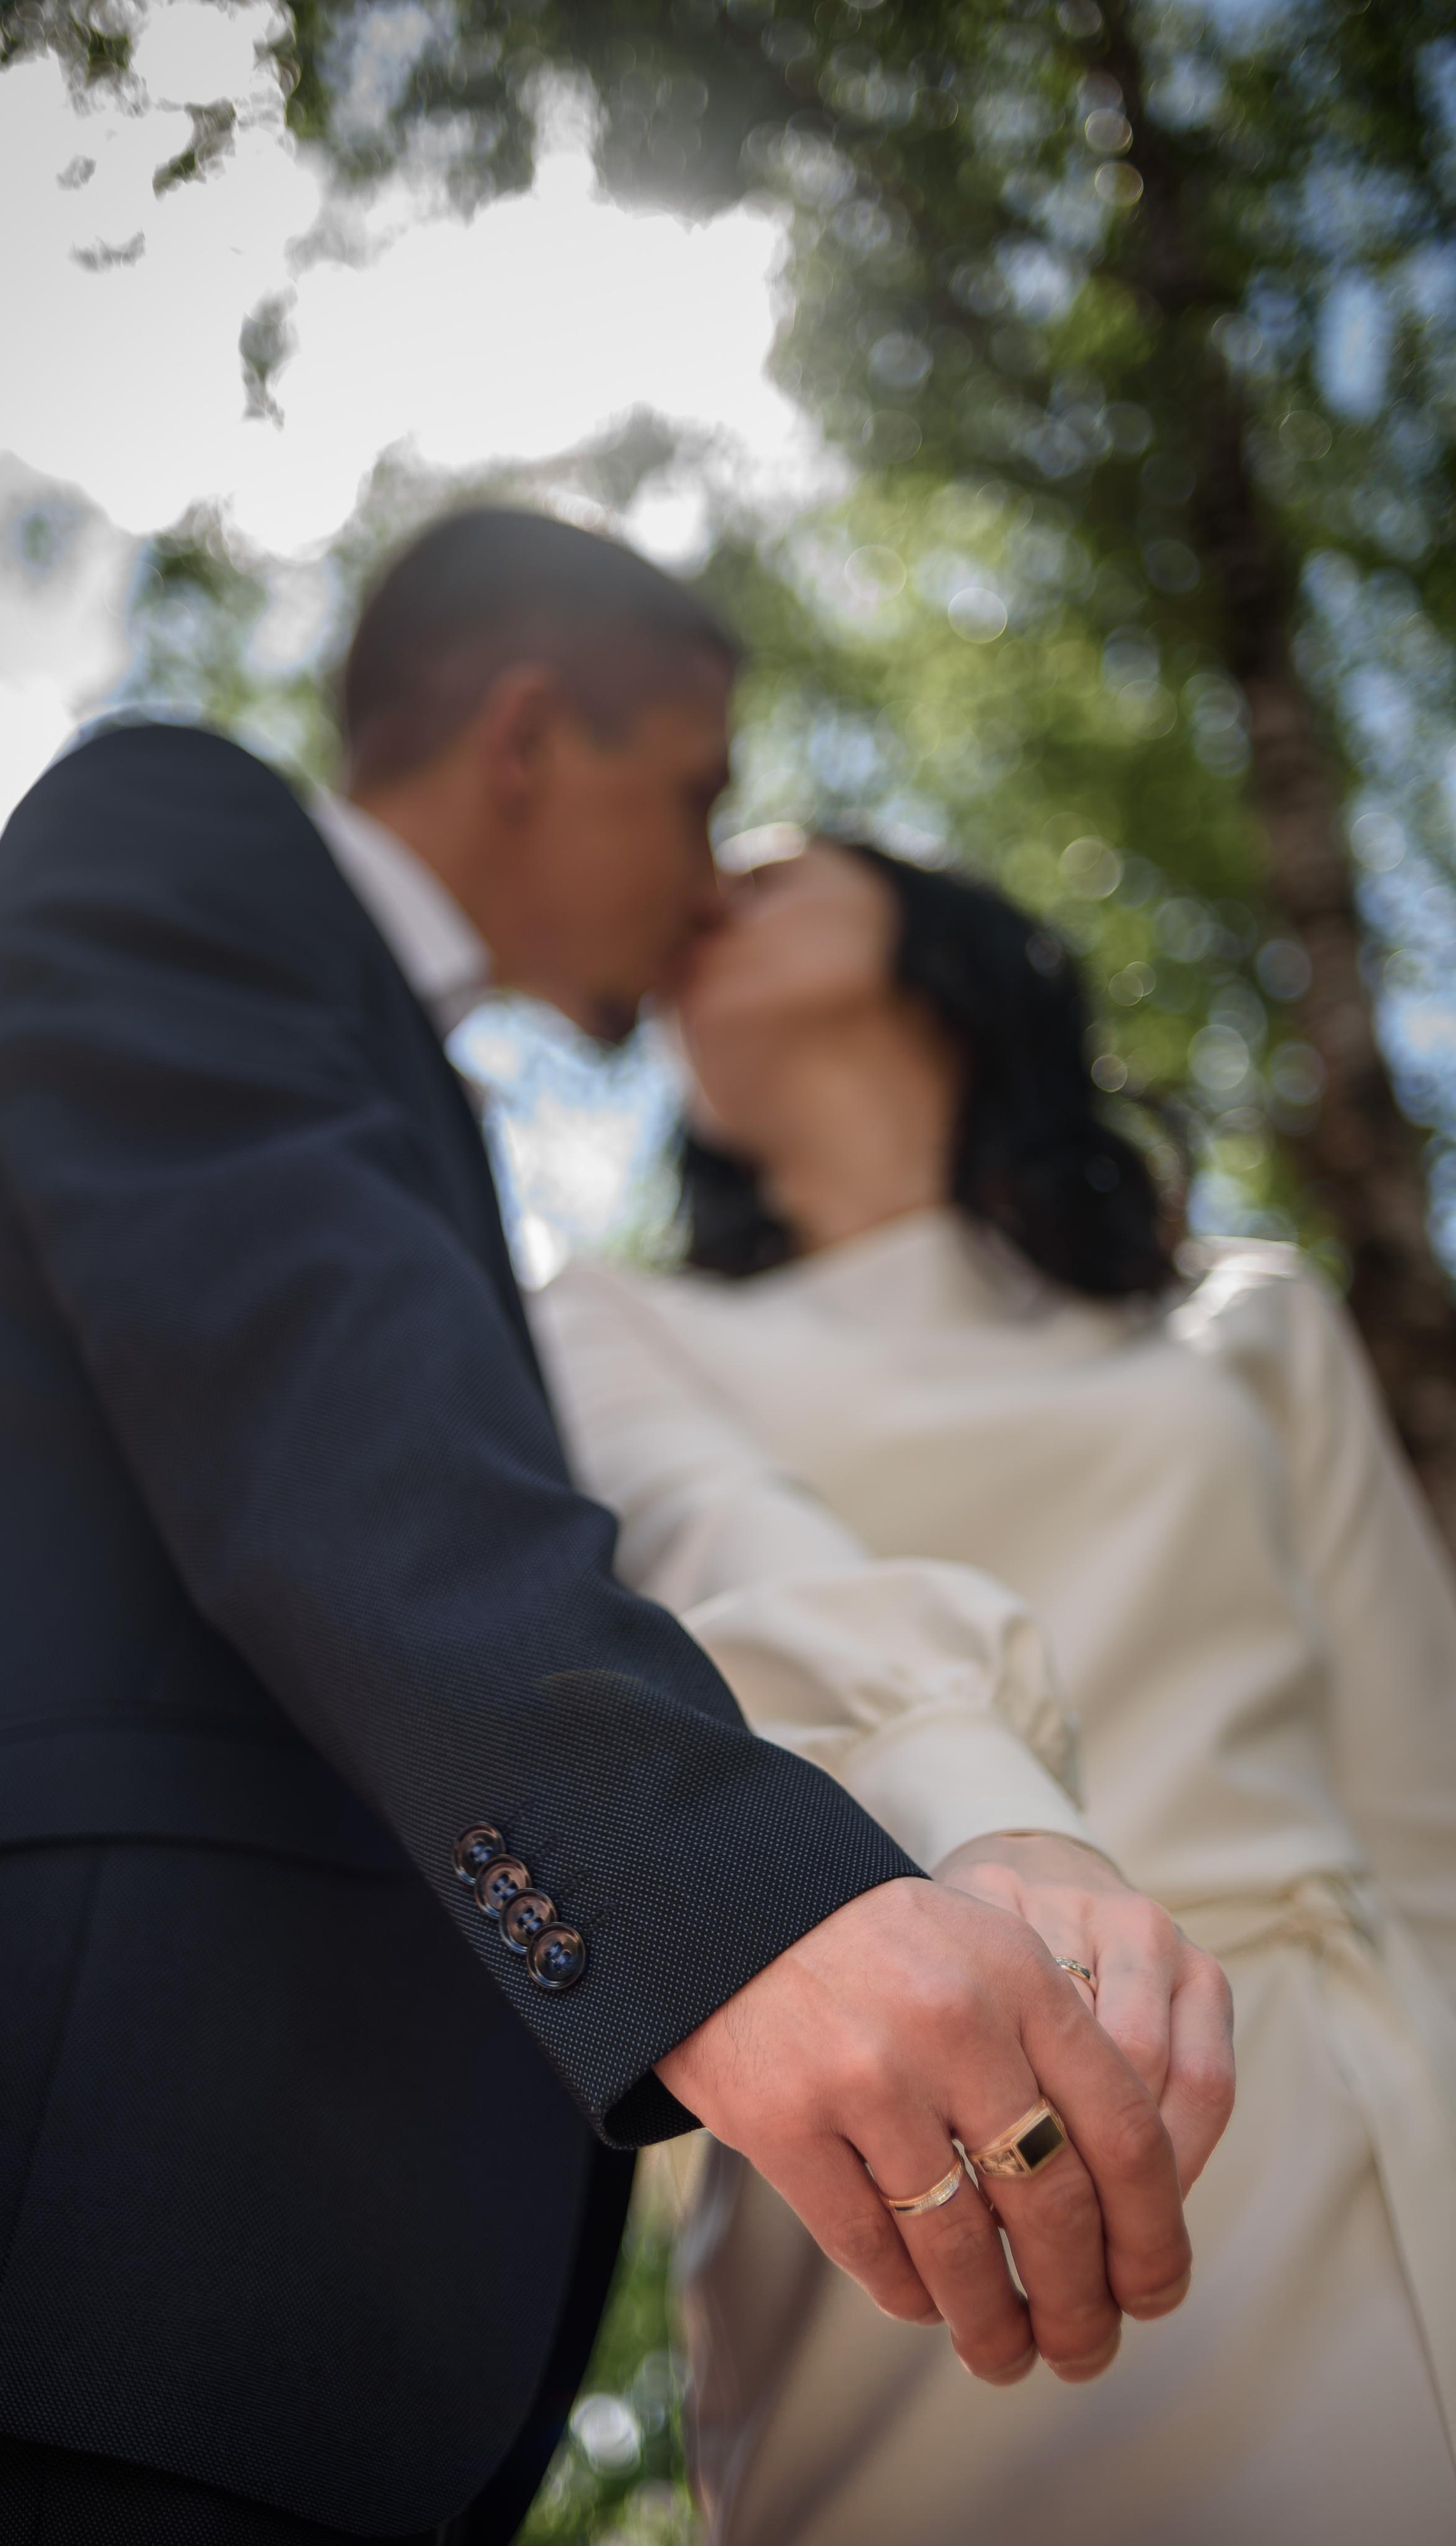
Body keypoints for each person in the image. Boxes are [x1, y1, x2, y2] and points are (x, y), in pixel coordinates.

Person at [0, 518, 1229, 2546]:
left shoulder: (426, 1097)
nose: (710, 873)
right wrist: (736, 1895)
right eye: (695, 792)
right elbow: (311, 1384)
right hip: (97, 2220)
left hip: (322, 2326)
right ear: (532, 732)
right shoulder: (180, 825)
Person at [534, 829, 1456, 2546]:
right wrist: (999, 1824)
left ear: (951, 937)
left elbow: (1426, 1806)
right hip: (927, 2191)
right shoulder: (611, 1322)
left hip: (1369, 2137)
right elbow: (736, 1549)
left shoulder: (1244, 1314)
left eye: (777, 851)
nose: (709, 877)